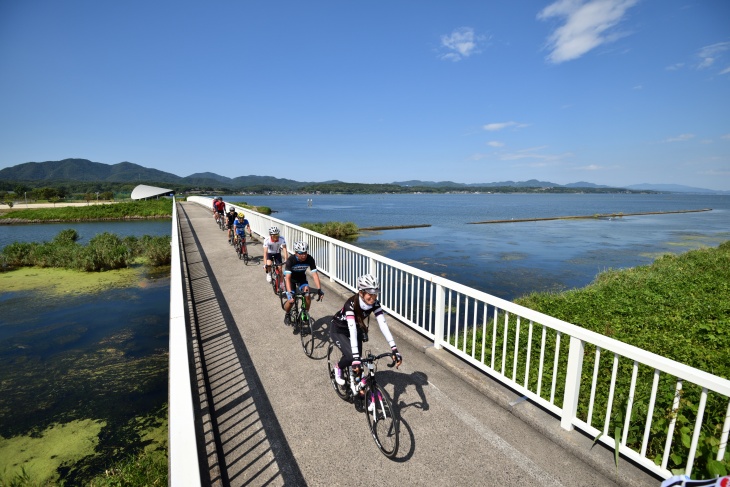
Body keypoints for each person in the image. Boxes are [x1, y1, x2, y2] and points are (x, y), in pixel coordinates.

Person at [330, 274, 402, 389]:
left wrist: (394, 349)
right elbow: (352, 331)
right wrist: (355, 358)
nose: (373, 298)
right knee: (353, 357)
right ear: (361, 293)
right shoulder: (351, 304)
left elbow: (383, 325)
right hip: (339, 329)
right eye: (370, 294)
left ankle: (358, 387)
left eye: (375, 294)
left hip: (356, 327)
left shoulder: (374, 303)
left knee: (360, 364)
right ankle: (338, 367)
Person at [283, 241, 324, 334]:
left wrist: (319, 290)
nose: (304, 255)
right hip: (291, 280)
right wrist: (289, 293)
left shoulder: (310, 259)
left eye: (305, 253)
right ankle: (287, 314)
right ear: (296, 253)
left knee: (307, 293)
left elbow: (315, 275)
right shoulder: (291, 260)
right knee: (291, 300)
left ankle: (305, 312)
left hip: (301, 278)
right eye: (301, 253)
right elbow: (288, 278)